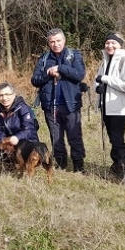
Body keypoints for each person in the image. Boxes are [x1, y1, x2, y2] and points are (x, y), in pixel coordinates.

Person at [30, 28, 87, 173]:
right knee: (56, 138)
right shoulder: (43, 58)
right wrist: (49, 74)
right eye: (52, 42)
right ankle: (61, 166)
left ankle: (78, 168)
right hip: (50, 105)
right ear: (48, 43)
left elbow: (79, 74)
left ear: (64, 40)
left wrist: (60, 68)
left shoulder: (74, 55)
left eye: (58, 41)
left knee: (75, 137)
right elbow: (35, 80)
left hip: (71, 105)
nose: (55, 44)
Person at [93, 32, 125, 183]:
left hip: (120, 107)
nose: (109, 46)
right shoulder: (105, 60)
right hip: (106, 106)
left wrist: (105, 79)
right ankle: (117, 166)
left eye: (113, 43)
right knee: (113, 138)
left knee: (117, 139)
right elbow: (97, 80)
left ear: (120, 44)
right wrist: (97, 87)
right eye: (107, 43)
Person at [0, 83, 39, 164]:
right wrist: (4, 143)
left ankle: (25, 164)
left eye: (7, 94)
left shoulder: (23, 108)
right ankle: (6, 164)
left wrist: (17, 138)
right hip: (9, 144)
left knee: (22, 154)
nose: (4, 98)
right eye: (1, 95)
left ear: (14, 94)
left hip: (27, 143)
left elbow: (29, 130)